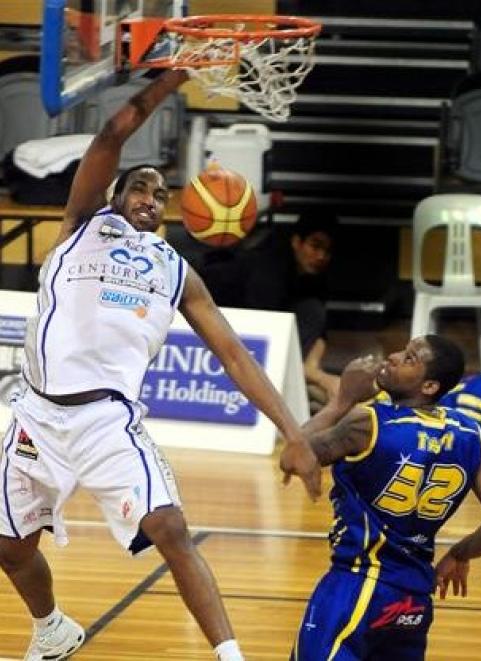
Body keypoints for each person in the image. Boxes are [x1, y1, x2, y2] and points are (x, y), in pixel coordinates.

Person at [0, 69, 321, 661]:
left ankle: (231, 656)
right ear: (116, 196)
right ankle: (52, 628)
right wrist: (176, 75)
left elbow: (232, 354)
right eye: (139, 188)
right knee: (11, 548)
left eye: (160, 194)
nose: (150, 198)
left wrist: (294, 432)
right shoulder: (80, 228)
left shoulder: (176, 271)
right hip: (35, 417)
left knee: (170, 526)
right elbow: (111, 137)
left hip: (106, 422)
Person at [291, 335, 481, 660]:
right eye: (403, 350)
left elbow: (294, 456)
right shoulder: (472, 435)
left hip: (357, 586)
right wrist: (460, 553)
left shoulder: (368, 424)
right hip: (414, 599)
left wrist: (341, 399)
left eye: (410, 358)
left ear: (429, 386)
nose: (394, 357)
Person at [200, 216, 339, 408]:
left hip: (252, 332)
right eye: (315, 246)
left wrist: (312, 368)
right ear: (297, 242)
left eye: (327, 251)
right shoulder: (268, 272)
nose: (321, 256)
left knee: (312, 309)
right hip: (210, 320)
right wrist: (321, 379)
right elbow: (261, 341)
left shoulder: (313, 277)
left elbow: (320, 328)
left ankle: (305, 378)